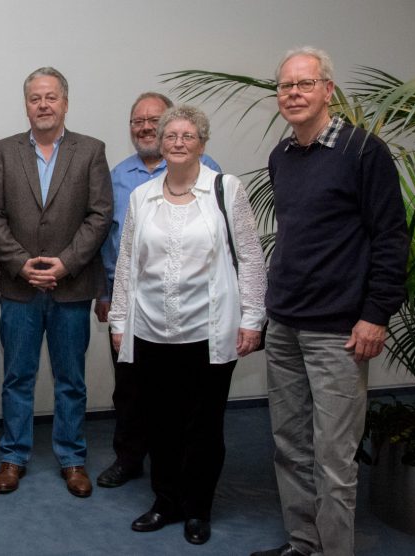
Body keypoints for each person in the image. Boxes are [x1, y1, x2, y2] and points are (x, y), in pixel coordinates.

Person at [251, 47, 408, 556]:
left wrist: (375, 314)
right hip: (286, 325)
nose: (293, 94)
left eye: (304, 84)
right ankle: (302, 544)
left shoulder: (365, 152)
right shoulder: (282, 156)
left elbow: (390, 238)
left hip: (339, 331)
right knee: (289, 448)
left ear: (328, 90)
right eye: (284, 86)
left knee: (334, 461)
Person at [109, 105, 267, 545]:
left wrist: (253, 317)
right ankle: (166, 502)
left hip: (209, 331)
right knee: (159, 422)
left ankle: (198, 508)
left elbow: (250, 257)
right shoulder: (143, 196)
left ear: (202, 142)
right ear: (160, 143)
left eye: (187, 135)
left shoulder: (224, 189)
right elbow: (127, 264)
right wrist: (119, 320)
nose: (178, 142)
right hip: (152, 331)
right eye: (170, 135)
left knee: (203, 425)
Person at [0, 67, 112, 497]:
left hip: (71, 287)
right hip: (19, 289)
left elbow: (99, 215)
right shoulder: (3, 151)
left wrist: (65, 263)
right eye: (35, 97)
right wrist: (22, 265)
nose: (43, 104)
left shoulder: (91, 150)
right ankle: (13, 457)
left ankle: (72, 458)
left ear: (65, 103)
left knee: (70, 379)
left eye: (51, 97)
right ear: (26, 104)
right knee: (17, 376)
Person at [95, 92, 221, 489]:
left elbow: (227, 242)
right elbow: (105, 237)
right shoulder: (116, 176)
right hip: (129, 300)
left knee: (184, 396)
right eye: (138, 121)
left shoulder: (211, 174)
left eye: (154, 120)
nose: (146, 127)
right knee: (129, 389)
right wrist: (105, 294)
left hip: (192, 306)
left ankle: (185, 467)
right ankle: (129, 459)